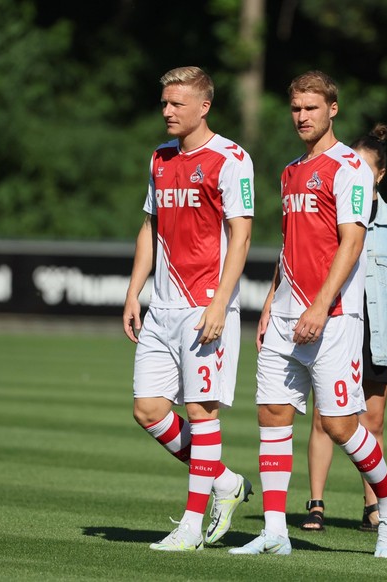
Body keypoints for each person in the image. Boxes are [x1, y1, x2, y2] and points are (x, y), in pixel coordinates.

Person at [229, 71, 387, 558]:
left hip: (333, 317)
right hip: (286, 314)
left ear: (333, 108)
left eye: (311, 108)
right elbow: (291, 247)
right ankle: (274, 530)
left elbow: (352, 241)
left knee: (340, 426)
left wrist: (319, 305)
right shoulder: (288, 171)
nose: (302, 117)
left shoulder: (349, 166)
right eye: (295, 109)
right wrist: (272, 302)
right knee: (271, 414)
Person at [122, 66, 254, 552]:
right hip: (162, 307)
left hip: (205, 308)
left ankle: (191, 529)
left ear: (204, 106)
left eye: (177, 103)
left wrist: (220, 303)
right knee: (148, 410)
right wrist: (135, 291)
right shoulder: (159, 158)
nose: (167, 111)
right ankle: (224, 481)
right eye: (164, 103)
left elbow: (241, 235)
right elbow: (150, 228)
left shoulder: (231, 158)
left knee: (201, 412)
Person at [300, 123, 387, 534]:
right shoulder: (328, 211)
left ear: (381, 174)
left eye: (366, 167)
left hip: (377, 333)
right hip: (335, 322)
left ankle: (375, 506)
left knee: (371, 422)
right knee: (324, 418)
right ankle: (315, 503)